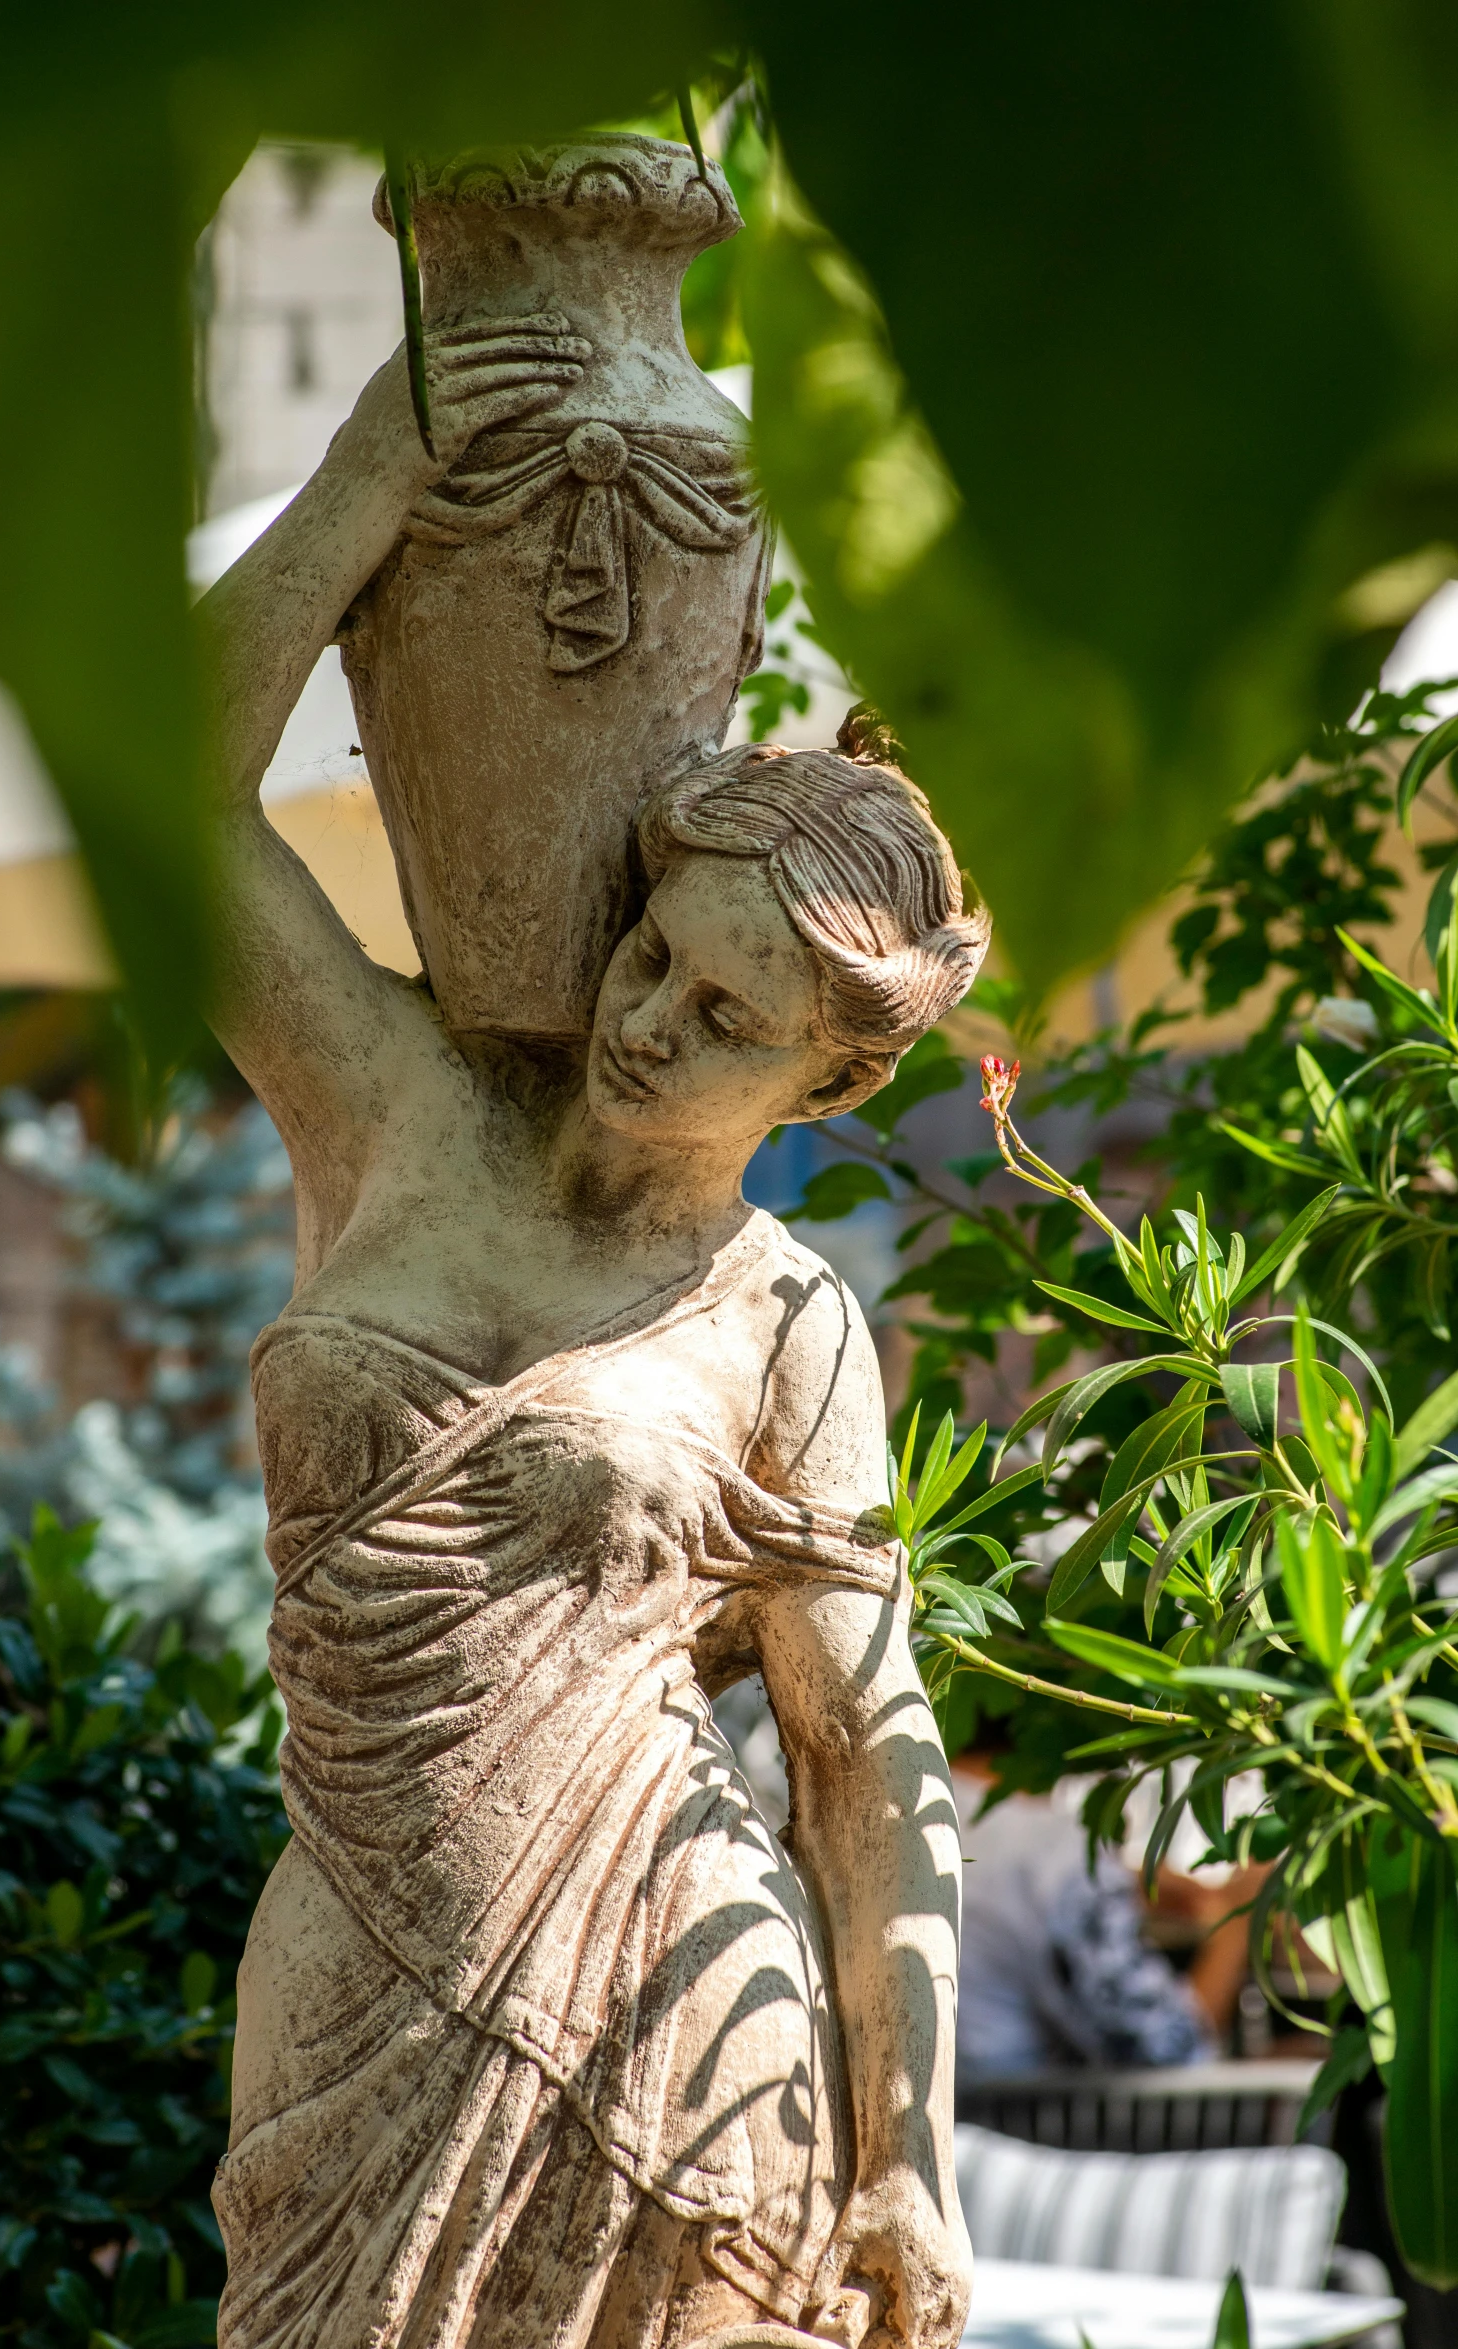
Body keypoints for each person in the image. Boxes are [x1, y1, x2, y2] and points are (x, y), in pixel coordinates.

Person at [198, 326, 989, 2349]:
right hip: (358, 1941)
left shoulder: (785, 1325)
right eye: (655, 951)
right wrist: (389, 447)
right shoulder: (394, 1111)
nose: (648, 1017)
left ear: (820, 1089)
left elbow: (862, 1749)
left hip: (670, 1995)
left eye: (729, 1018)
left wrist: (911, 2149)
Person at [951, 1744, 1216, 2085]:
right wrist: (1238, 1927)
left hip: (934, 2103)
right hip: (1019, 2119)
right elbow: (1162, 2050)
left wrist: (1123, 1877)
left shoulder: (901, 1802)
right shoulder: (1057, 1850)